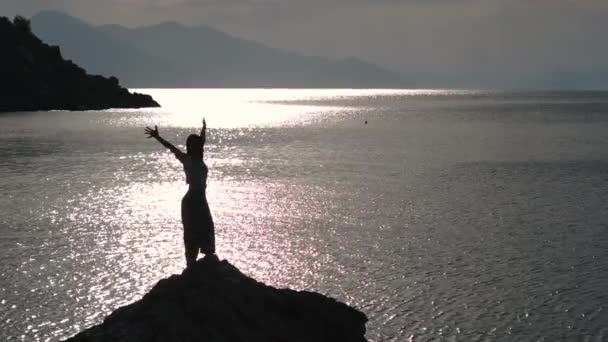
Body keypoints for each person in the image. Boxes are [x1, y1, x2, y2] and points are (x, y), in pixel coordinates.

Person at [144, 119, 215, 267]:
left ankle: (205, 261)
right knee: (191, 232)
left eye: (200, 144)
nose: (200, 146)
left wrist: (204, 128)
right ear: (192, 147)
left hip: (200, 199)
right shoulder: (186, 159)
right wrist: (157, 137)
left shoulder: (199, 158)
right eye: (197, 144)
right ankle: (191, 264)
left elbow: (202, 140)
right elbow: (171, 148)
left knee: (207, 227)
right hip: (191, 201)